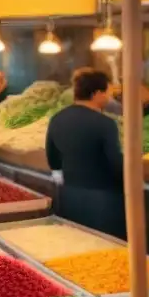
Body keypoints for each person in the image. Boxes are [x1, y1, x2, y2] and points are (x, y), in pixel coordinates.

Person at [45, 68, 126, 239]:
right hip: (103, 200)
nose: (109, 97)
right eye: (107, 92)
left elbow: (52, 154)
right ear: (97, 93)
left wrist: (60, 174)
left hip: (70, 195)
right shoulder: (105, 123)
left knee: (77, 242)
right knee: (107, 246)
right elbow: (115, 161)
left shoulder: (58, 118)